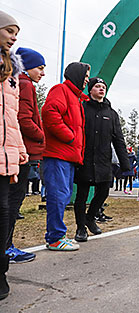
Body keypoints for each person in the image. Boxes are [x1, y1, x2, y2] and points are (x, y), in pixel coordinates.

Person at [73, 77, 129, 242]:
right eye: (97, 86)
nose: (101, 89)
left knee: (103, 191)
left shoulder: (111, 114)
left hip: (104, 161)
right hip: (84, 160)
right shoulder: (82, 108)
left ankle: (90, 218)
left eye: (103, 87)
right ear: (90, 90)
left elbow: (119, 140)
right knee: (81, 196)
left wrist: (126, 164)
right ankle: (80, 228)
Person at [41, 61, 90, 251]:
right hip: (58, 154)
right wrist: (69, 137)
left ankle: (58, 235)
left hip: (68, 156)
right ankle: (54, 237)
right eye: (85, 77)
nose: (86, 81)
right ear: (76, 75)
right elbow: (50, 112)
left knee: (64, 195)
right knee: (58, 195)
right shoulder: (60, 90)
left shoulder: (76, 98)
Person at [6, 47, 46, 264]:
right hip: (23, 151)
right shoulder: (24, 84)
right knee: (13, 201)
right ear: (27, 66)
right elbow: (24, 119)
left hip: (20, 149)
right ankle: (7, 247)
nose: (42, 73)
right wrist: (42, 137)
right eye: (40, 68)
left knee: (12, 200)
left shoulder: (21, 83)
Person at [0, 10, 28, 300]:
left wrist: (19, 150)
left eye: (16, 31)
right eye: (9, 30)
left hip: (7, 156)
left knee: (5, 214)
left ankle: (1, 273)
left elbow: (12, 118)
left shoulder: (12, 75)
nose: (14, 36)